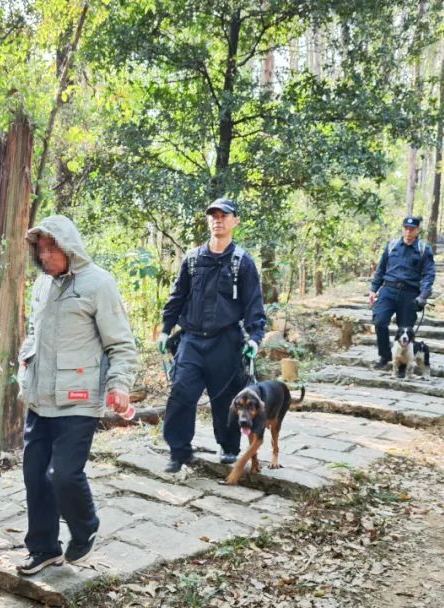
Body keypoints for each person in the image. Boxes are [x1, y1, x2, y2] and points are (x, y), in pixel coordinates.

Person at [15, 215, 138, 576]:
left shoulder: (98, 284)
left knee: (63, 475)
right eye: (41, 249)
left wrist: (119, 385)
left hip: (78, 399)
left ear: (69, 247)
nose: (46, 255)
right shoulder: (41, 285)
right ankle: (43, 549)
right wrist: (24, 367)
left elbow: (121, 345)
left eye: (53, 247)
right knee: (35, 476)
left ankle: (85, 528)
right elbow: (34, 334)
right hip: (40, 399)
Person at [156, 197, 268, 473]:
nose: (218, 219)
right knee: (181, 392)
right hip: (192, 340)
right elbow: (177, 296)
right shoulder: (193, 259)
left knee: (226, 397)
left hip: (226, 341)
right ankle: (178, 451)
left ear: (235, 221)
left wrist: (254, 338)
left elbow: (254, 304)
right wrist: (165, 329)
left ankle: (229, 447)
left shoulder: (243, 262)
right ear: (208, 220)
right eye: (213, 215)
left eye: (224, 215)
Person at [368, 215, 436, 375]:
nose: (408, 231)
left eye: (412, 229)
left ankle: (403, 366)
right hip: (388, 290)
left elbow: (429, 275)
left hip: (409, 293)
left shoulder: (423, 249)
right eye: (406, 228)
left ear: (418, 230)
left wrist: (423, 296)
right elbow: (381, 269)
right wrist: (373, 289)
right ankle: (385, 356)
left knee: (406, 329)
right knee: (380, 321)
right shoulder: (392, 246)